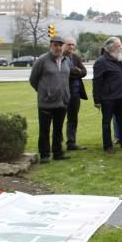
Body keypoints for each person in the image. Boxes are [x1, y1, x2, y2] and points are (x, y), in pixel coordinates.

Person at [28, 35, 71, 163]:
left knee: (58, 129)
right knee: (44, 130)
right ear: (50, 46)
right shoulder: (42, 60)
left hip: (62, 101)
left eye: (60, 45)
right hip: (46, 103)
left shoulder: (65, 61)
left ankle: (58, 152)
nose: (58, 47)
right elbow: (33, 79)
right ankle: (45, 155)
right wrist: (44, 92)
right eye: (55, 45)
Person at [92, 37, 122, 154]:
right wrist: (96, 99)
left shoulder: (119, 58)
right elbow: (97, 81)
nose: (121, 48)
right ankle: (108, 146)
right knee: (107, 122)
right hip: (108, 97)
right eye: (118, 46)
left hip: (121, 96)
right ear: (111, 47)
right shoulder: (101, 61)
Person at [62, 36, 88, 151]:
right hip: (62, 92)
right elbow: (63, 73)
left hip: (75, 93)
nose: (71, 47)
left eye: (73, 45)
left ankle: (71, 143)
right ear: (64, 45)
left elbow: (84, 71)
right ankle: (56, 144)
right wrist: (74, 72)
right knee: (59, 118)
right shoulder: (59, 57)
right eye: (69, 44)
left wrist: (75, 72)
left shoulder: (75, 57)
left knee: (73, 118)